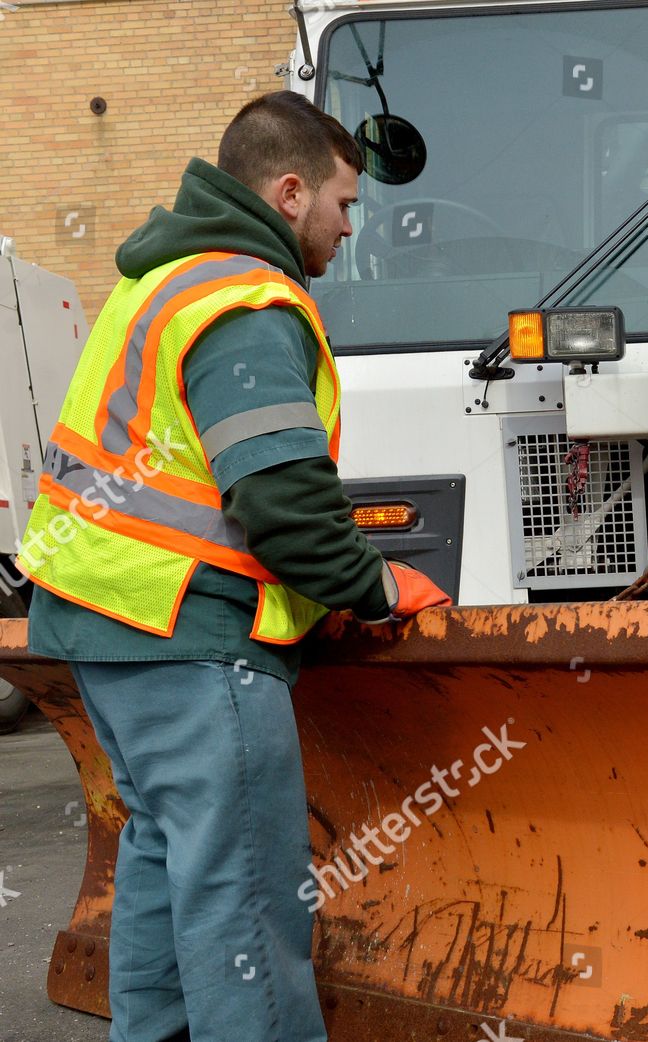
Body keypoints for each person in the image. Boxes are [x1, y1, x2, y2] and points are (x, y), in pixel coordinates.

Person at [18, 91, 450, 1042]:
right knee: (247, 898)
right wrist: (376, 587)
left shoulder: (161, 280)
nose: (349, 228)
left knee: (168, 866)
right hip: (191, 635)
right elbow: (279, 503)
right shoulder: (248, 301)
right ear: (290, 192)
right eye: (344, 204)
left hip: (106, 624)